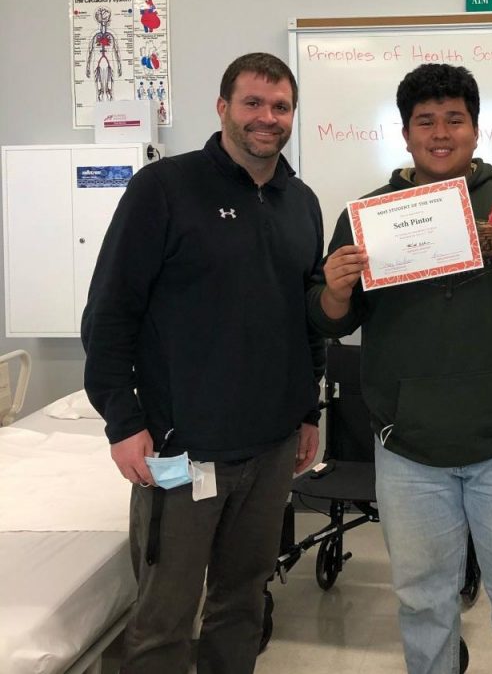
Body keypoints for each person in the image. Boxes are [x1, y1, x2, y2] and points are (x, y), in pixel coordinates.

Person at [308, 63, 492, 674]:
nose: (441, 133)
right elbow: (331, 320)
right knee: (421, 602)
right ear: (406, 134)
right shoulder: (369, 215)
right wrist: (333, 289)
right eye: (426, 121)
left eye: (454, 119)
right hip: (409, 447)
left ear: (475, 128)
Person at [81, 52, 325, 674]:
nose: (267, 118)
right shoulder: (163, 190)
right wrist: (122, 421)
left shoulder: (303, 203)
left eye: (280, 106)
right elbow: (109, 315)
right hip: (178, 451)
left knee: (243, 603)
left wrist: (306, 411)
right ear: (222, 108)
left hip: (271, 449)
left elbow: (304, 323)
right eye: (252, 103)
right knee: (163, 620)